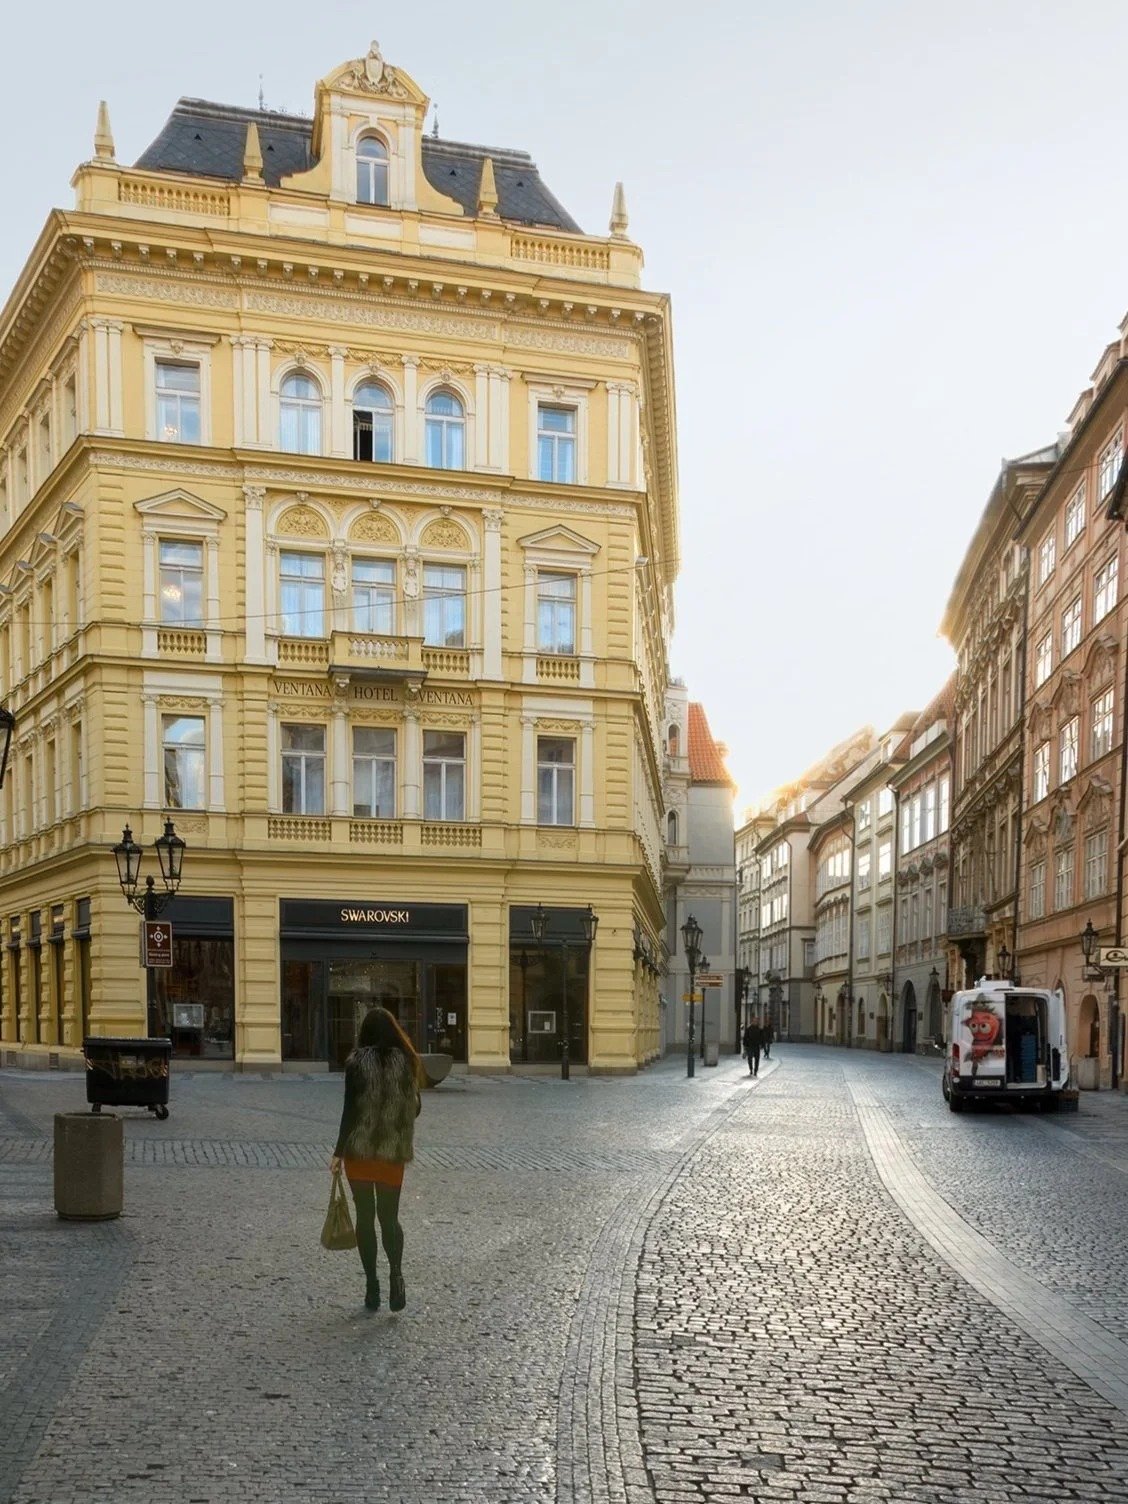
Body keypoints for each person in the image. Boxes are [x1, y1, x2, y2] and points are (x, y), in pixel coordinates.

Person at [330, 1006, 421, 1313]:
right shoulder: (407, 1062)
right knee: (389, 1218)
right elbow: (416, 1108)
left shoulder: (356, 1064)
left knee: (365, 1219)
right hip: (391, 1153)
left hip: (359, 1153)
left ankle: (372, 1286)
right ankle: (396, 1273)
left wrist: (338, 1152)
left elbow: (348, 1111)